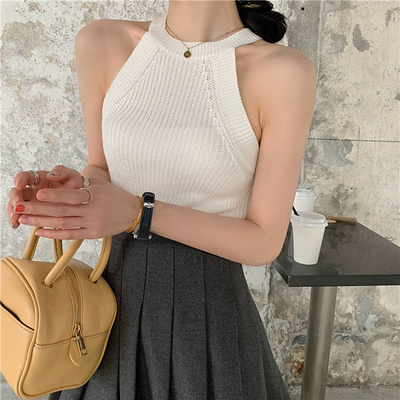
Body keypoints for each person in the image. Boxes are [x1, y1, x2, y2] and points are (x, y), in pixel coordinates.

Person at [7, 0, 316, 398]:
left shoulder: (283, 72)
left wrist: (141, 213)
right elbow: (102, 167)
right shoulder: (102, 42)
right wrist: (74, 192)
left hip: (209, 318)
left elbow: (263, 241)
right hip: (108, 306)